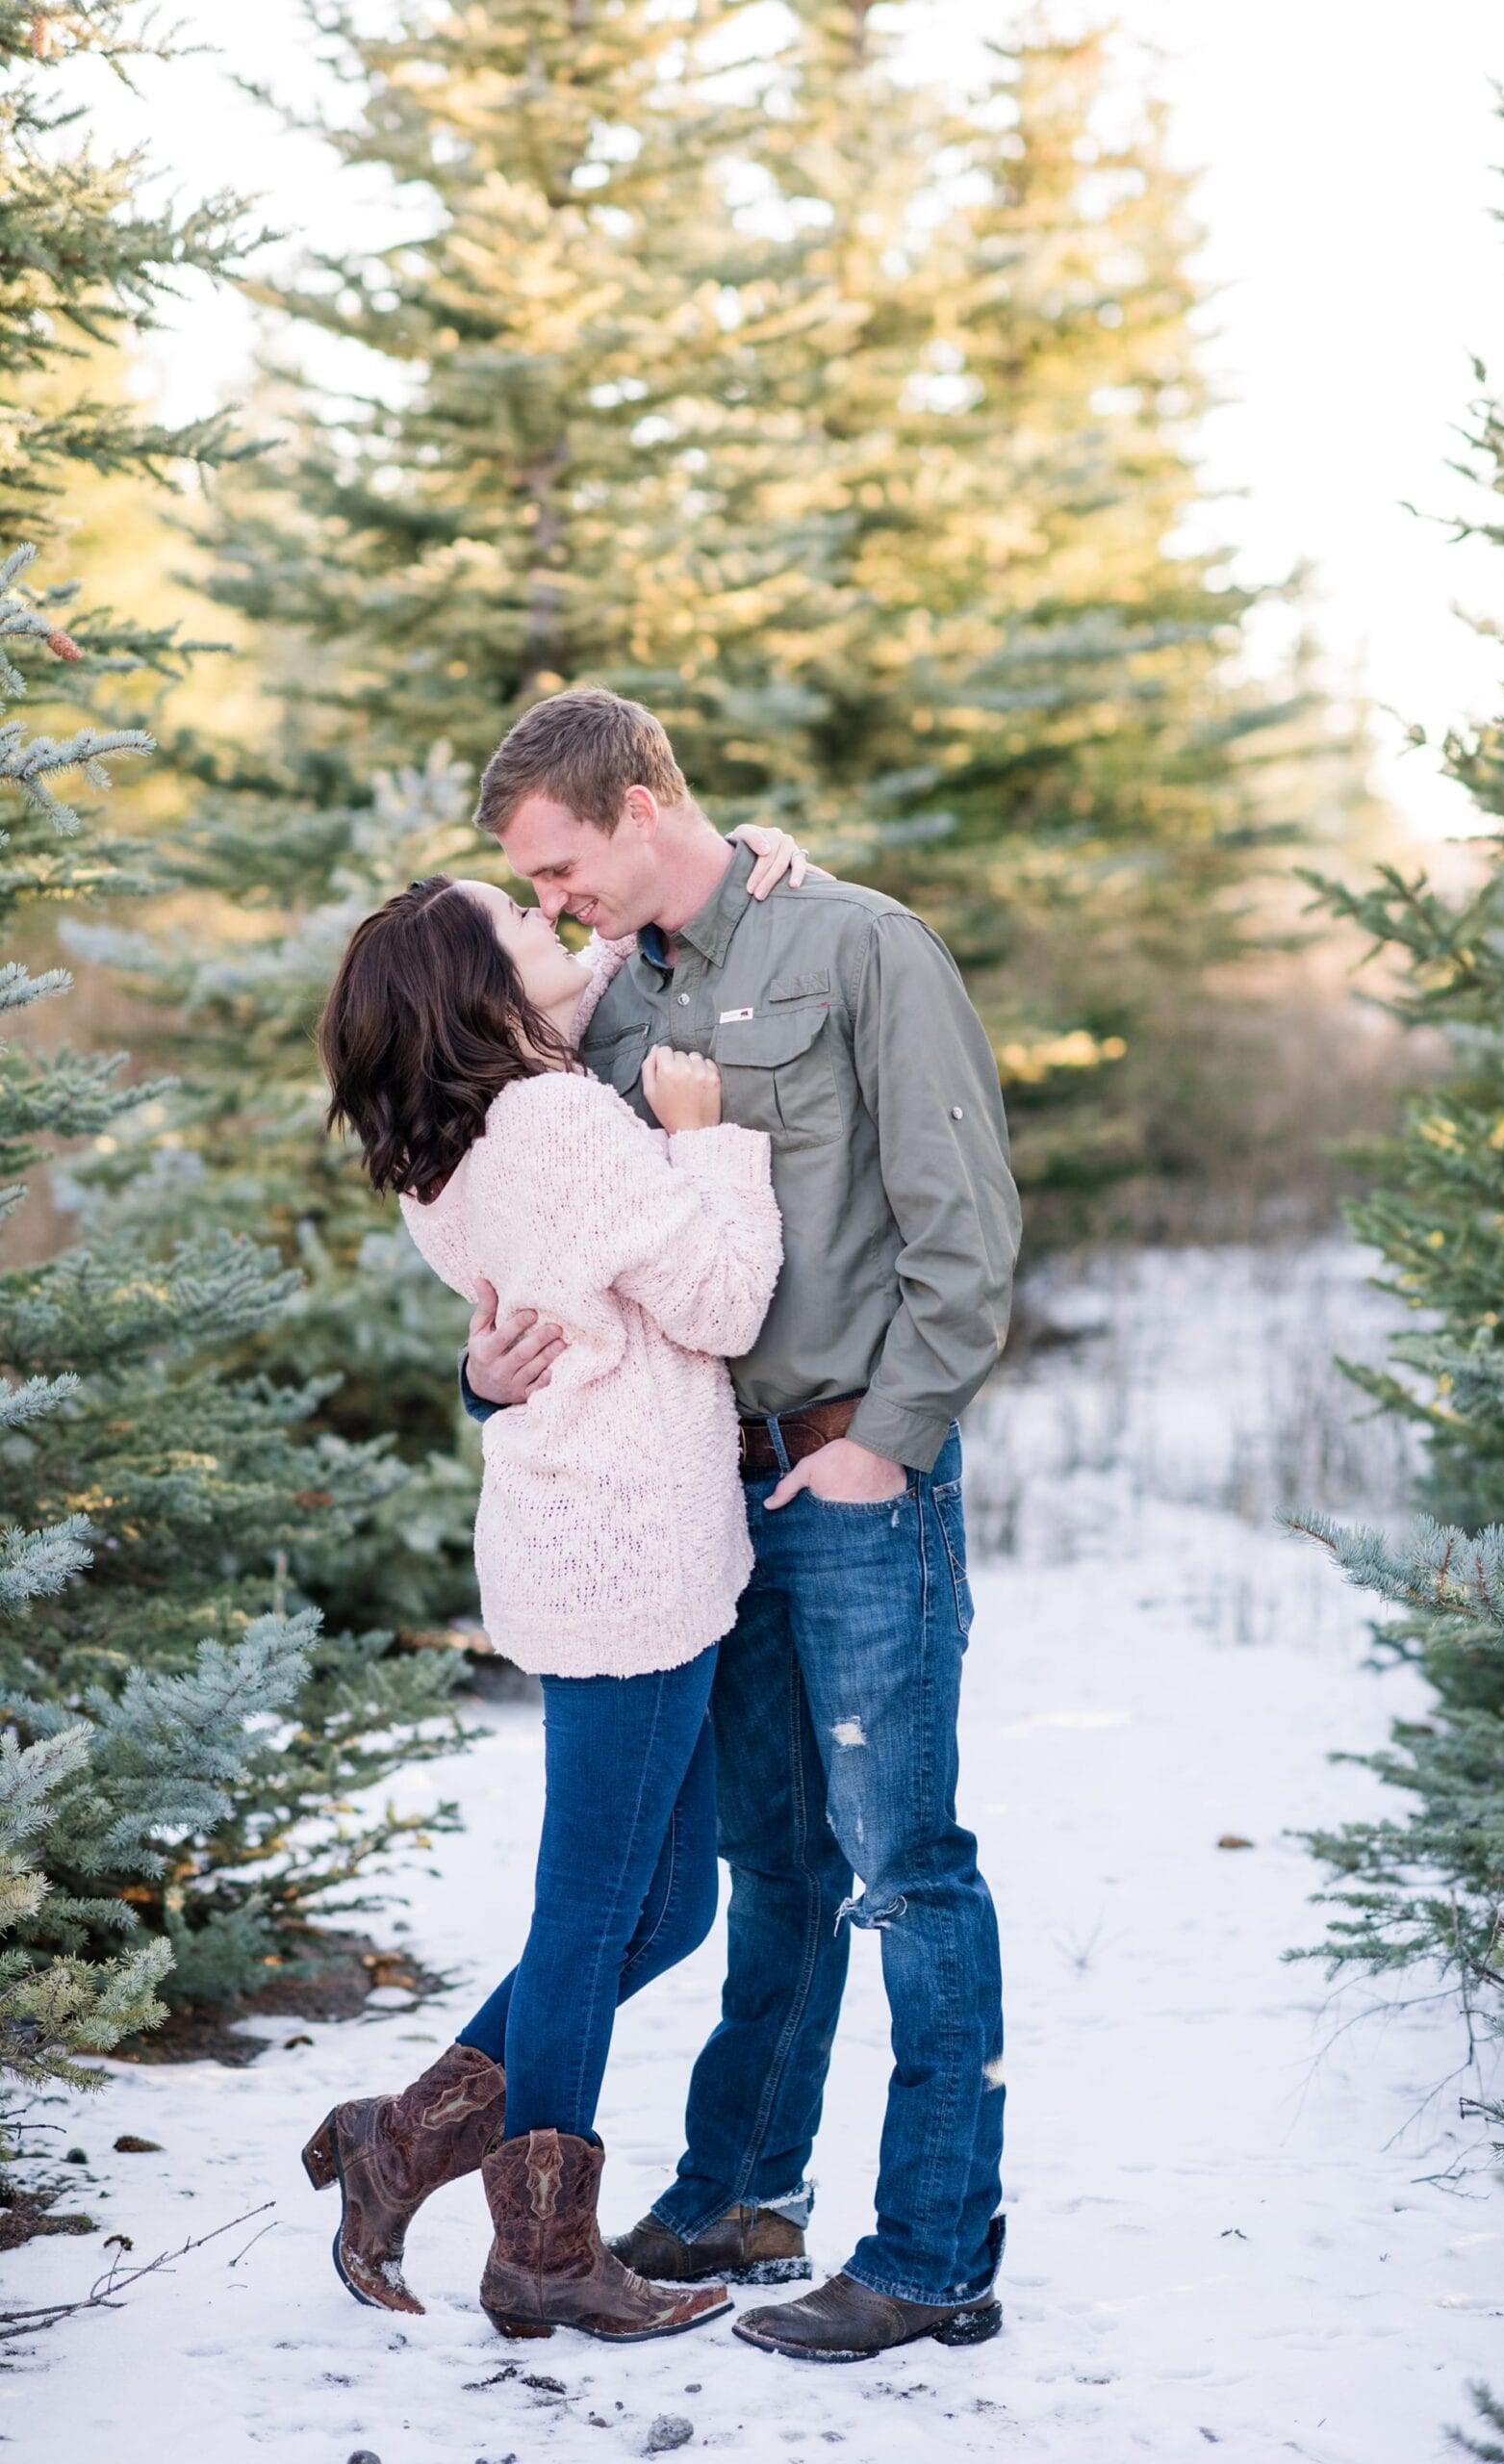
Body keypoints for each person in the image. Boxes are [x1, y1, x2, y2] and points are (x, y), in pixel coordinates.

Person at [462, 686, 1021, 2363]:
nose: (551, 906)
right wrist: (489, 1377)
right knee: (763, 1861)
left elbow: (965, 1228)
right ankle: (736, 2193)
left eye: (561, 866)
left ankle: (931, 2252)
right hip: (697, 1492)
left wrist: (891, 1444)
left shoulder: (861, 950)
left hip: (851, 1479)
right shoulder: (607, 1007)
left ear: (642, 808)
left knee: (902, 1868)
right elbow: (547, 1224)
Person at [302, 830, 806, 2344]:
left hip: (576, 1530)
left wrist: (740, 856)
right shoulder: (559, 1130)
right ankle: (542, 2255)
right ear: (477, 995)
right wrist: (712, 1139)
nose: (547, 919)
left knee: (656, 1912)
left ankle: (399, 2144)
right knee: (604, 1911)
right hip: (631, 1549)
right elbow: (718, 1300)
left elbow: (574, 1013)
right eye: (511, 921)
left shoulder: (459, 1134)